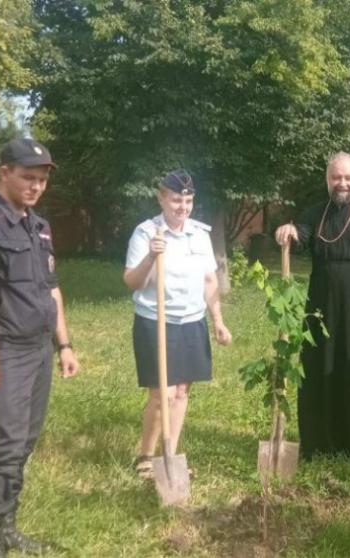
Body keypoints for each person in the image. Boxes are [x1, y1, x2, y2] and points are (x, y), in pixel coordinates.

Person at [0, 138, 80, 557]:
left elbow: (52, 289)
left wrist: (65, 344)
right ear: (2, 172)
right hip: (3, 350)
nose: (36, 186)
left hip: (39, 348)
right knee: (2, 445)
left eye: (41, 180)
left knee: (23, 441)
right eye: (27, 177)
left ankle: (6, 526)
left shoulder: (37, 225)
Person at [274, 152, 350, 460]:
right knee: (320, 371)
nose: (342, 183)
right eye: (335, 178)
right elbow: (300, 233)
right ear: (327, 180)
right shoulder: (316, 213)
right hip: (320, 311)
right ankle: (321, 442)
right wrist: (289, 230)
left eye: (348, 178)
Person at [124, 169, 232, 479]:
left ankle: (169, 455)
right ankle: (145, 455)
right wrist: (149, 258)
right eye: (175, 200)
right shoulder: (146, 233)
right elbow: (131, 281)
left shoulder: (199, 234)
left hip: (191, 321)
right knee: (163, 394)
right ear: (161, 198)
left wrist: (218, 322)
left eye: (187, 200)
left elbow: (210, 281)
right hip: (156, 321)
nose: (182, 207)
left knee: (182, 392)